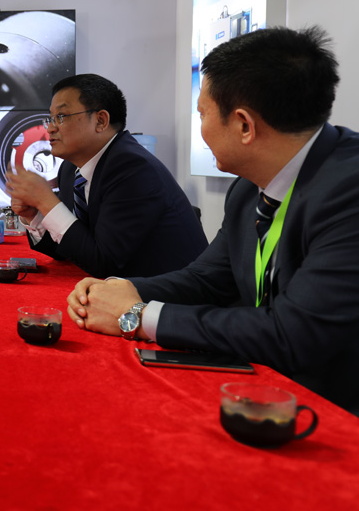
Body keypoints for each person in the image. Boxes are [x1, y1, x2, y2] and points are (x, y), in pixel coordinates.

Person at [67, 26, 359, 413]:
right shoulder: (248, 187)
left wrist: (139, 316)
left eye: (202, 113)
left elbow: (295, 334)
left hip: (333, 413)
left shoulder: (349, 192)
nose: (200, 127)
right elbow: (206, 279)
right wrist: (119, 291)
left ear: (244, 125)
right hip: (263, 392)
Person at [6, 74, 207, 278]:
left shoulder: (132, 168)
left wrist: (47, 202)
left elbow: (104, 262)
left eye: (61, 116)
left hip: (175, 293)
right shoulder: (69, 169)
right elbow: (70, 249)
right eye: (50, 118)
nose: (50, 128)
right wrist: (35, 214)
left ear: (100, 121)